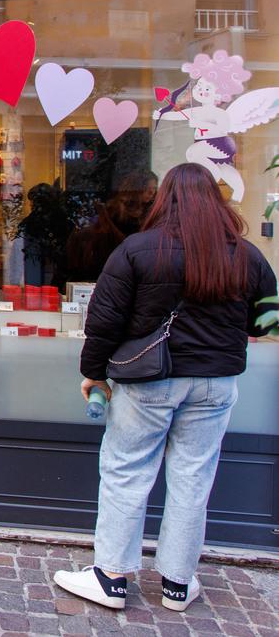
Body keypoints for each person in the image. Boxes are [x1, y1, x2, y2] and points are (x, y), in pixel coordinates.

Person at [53, 163, 277, 612]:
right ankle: (178, 584)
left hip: (149, 382)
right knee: (194, 478)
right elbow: (267, 318)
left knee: (126, 471)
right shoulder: (246, 254)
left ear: (164, 200)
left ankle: (111, 577)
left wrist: (94, 373)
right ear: (216, 202)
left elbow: (104, 320)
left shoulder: (138, 249)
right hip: (215, 383)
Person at [64, 171, 158, 282]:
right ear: (136, 188)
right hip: (112, 263)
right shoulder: (117, 211)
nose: (152, 192)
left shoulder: (152, 211)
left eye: (154, 188)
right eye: (148, 188)